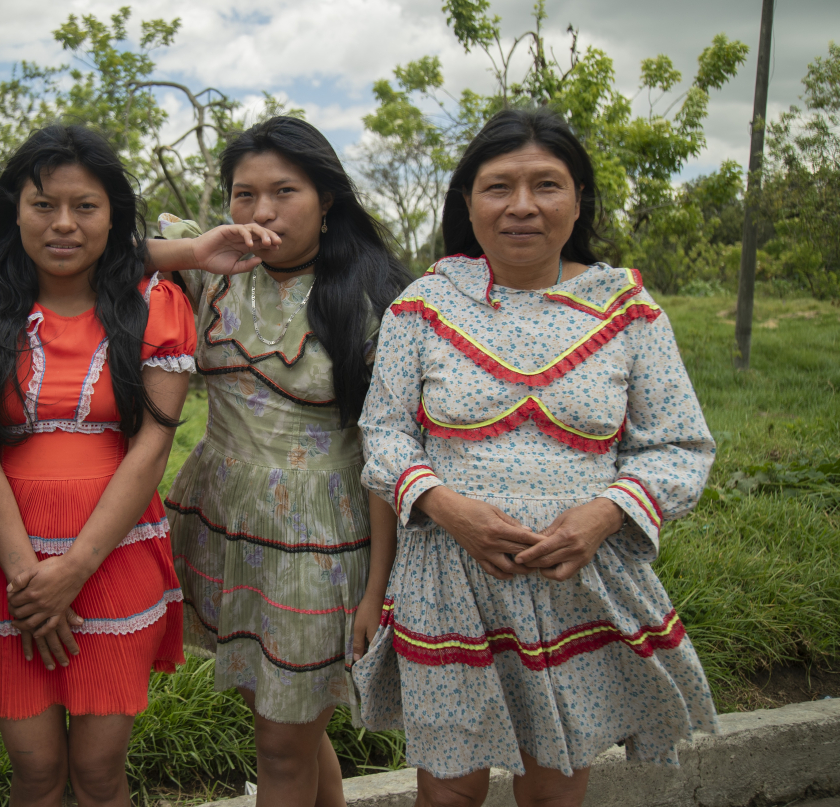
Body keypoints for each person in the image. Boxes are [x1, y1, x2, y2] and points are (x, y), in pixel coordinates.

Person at [353, 107, 718, 807]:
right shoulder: (422, 307)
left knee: (554, 789)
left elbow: (679, 443)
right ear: (468, 202)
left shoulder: (626, 310)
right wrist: (446, 506)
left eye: (546, 185)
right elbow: (385, 434)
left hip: (574, 586)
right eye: (498, 187)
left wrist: (606, 514)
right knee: (448, 793)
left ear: (579, 198)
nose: (522, 206)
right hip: (449, 584)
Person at [150, 115, 409, 807]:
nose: (261, 212)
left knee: (280, 745)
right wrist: (197, 250)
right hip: (225, 522)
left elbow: (388, 455)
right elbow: (97, 253)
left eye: (284, 191)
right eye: (244, 194)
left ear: (327, 198)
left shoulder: (374, 299)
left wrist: (377, 586)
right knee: (282, 723)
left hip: (317, 548)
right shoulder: (216, 277)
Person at [0, 124, 195, 807]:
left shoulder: (156, 305)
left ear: (114, 216)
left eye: (85, 206)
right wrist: (32, 580)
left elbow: (150, 450)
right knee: (35, 771)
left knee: (101, 772)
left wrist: (74, 570)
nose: (63, 224)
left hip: (114, 557)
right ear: (12, 210)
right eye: (42, 204)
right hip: (6, 560)